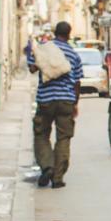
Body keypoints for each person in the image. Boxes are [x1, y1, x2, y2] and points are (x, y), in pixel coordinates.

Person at [26, 21, 83, 189]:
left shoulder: (44, 48)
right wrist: (75, 103)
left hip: (46, 99)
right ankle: (58, 178)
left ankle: (47, 166)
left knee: (41, 134)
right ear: (69, 34)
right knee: (63, 138)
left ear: (54, 33)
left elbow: (32, 68)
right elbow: (77, 82)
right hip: (66, 100)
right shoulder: (73, 54)